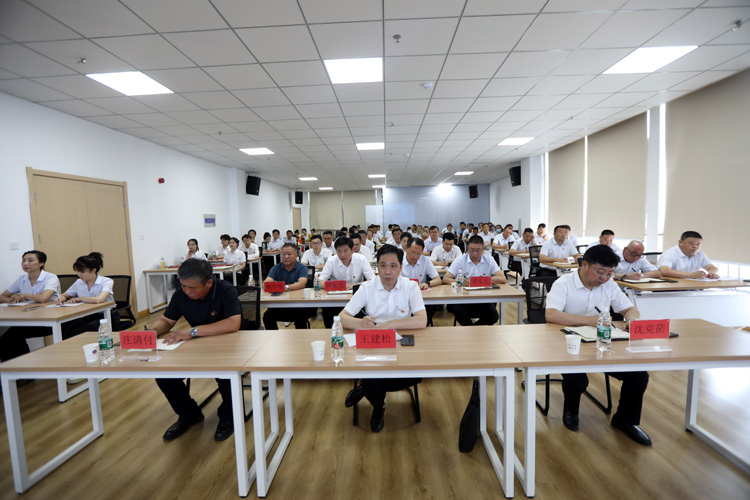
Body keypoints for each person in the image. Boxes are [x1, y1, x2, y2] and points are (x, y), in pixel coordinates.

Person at [545, 245, 651, 446]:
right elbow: (551, 314)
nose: (605, 278)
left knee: (639, 375)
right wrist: (589, 321)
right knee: (577, 380)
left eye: (610, 273)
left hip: (602, 343)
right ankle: (571, 412)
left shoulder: (609, 284)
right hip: (569, 343)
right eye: (600, 272)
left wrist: (632, 320)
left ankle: (625, 420)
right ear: (585, 265)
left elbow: (629, 309)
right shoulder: (564, 283)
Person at [148, 259, 248, 442]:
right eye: (183, 286)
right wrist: (151, 332)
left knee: (226, 374)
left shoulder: (225, 290)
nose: (187, 291)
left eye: (191, 288)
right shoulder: (181, 294)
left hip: (228, 345)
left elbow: (233, 323)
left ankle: (229, 416)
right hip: (197, 345)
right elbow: (167, 321)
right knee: (163, 374)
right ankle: (189, 414)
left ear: (208, 283)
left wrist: (193, 331)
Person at [340, 244, 427, 433]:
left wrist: (389, 324)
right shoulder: (367, 287)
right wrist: (360, 323)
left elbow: (422, 320)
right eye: (383, 265)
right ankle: (378, 407)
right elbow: (343, 318)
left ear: (401, 267)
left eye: (393, 266)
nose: (388, 271)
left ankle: (364, 389)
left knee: (413, 376)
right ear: (376, 267)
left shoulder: (410, 286)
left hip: (401, 345)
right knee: (374, 375)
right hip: (374, 344)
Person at [0, 250, 60, 361]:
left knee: (12, 333)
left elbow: (43, 298)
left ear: (41, 263)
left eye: (30, 260)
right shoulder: (22, 279)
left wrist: (24, 295)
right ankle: (15, 367)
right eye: (23, 260)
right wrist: (11, 299)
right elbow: (2, 297)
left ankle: (21, 366)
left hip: (48, 321)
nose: (25, 263)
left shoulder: (50, 278)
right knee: (6, 334)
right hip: (30, 319)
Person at [443, 236, 506, 326]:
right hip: (463, 299)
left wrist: (482, 280)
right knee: (458, 311)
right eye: (472, 250)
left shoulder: (489, 260)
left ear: (483, 249)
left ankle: (472, 330)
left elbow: (503, 279)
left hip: (483, 299)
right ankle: (473, 331)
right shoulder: (460, 260)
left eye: (478, 250)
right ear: (467, 249)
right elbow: (445, 279)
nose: (475, 253)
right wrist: (459, 281)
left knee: (494, 316)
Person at [58, 252, 119, 338]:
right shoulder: (79, 282)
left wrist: (81, 298)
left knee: (81, 331)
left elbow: (99, 299)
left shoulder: (106, 281)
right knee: (65, 328)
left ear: (93, 270)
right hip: (87, 316)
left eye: (82, 272)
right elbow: (64, 295)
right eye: (78, 271)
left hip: (106, 316)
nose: (79, 275)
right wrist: (60, 298)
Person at [319, 237, 375, 328]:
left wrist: (355, 285)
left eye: (345, 251)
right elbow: (320, 282)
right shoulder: (331, 261)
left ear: (352, 250)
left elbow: (373, 280)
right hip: (335, 298)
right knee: (328, 314)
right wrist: (338, 286)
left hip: (357, 297)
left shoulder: (361, 259)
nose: (342, 254)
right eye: (339, 251)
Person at [263, 243, 315, 330]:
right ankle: (274, 336)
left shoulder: (302, 267)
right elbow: (266, 284)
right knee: (267, 316)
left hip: (298, 304)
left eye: (289, 254)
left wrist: (284, 287)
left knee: (300, 317)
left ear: (296, 255)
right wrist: (278, 287)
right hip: (281, 303)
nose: (286, 257)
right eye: (284, 254)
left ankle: (301, 338)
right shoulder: (276, 268)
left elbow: (302, 283)